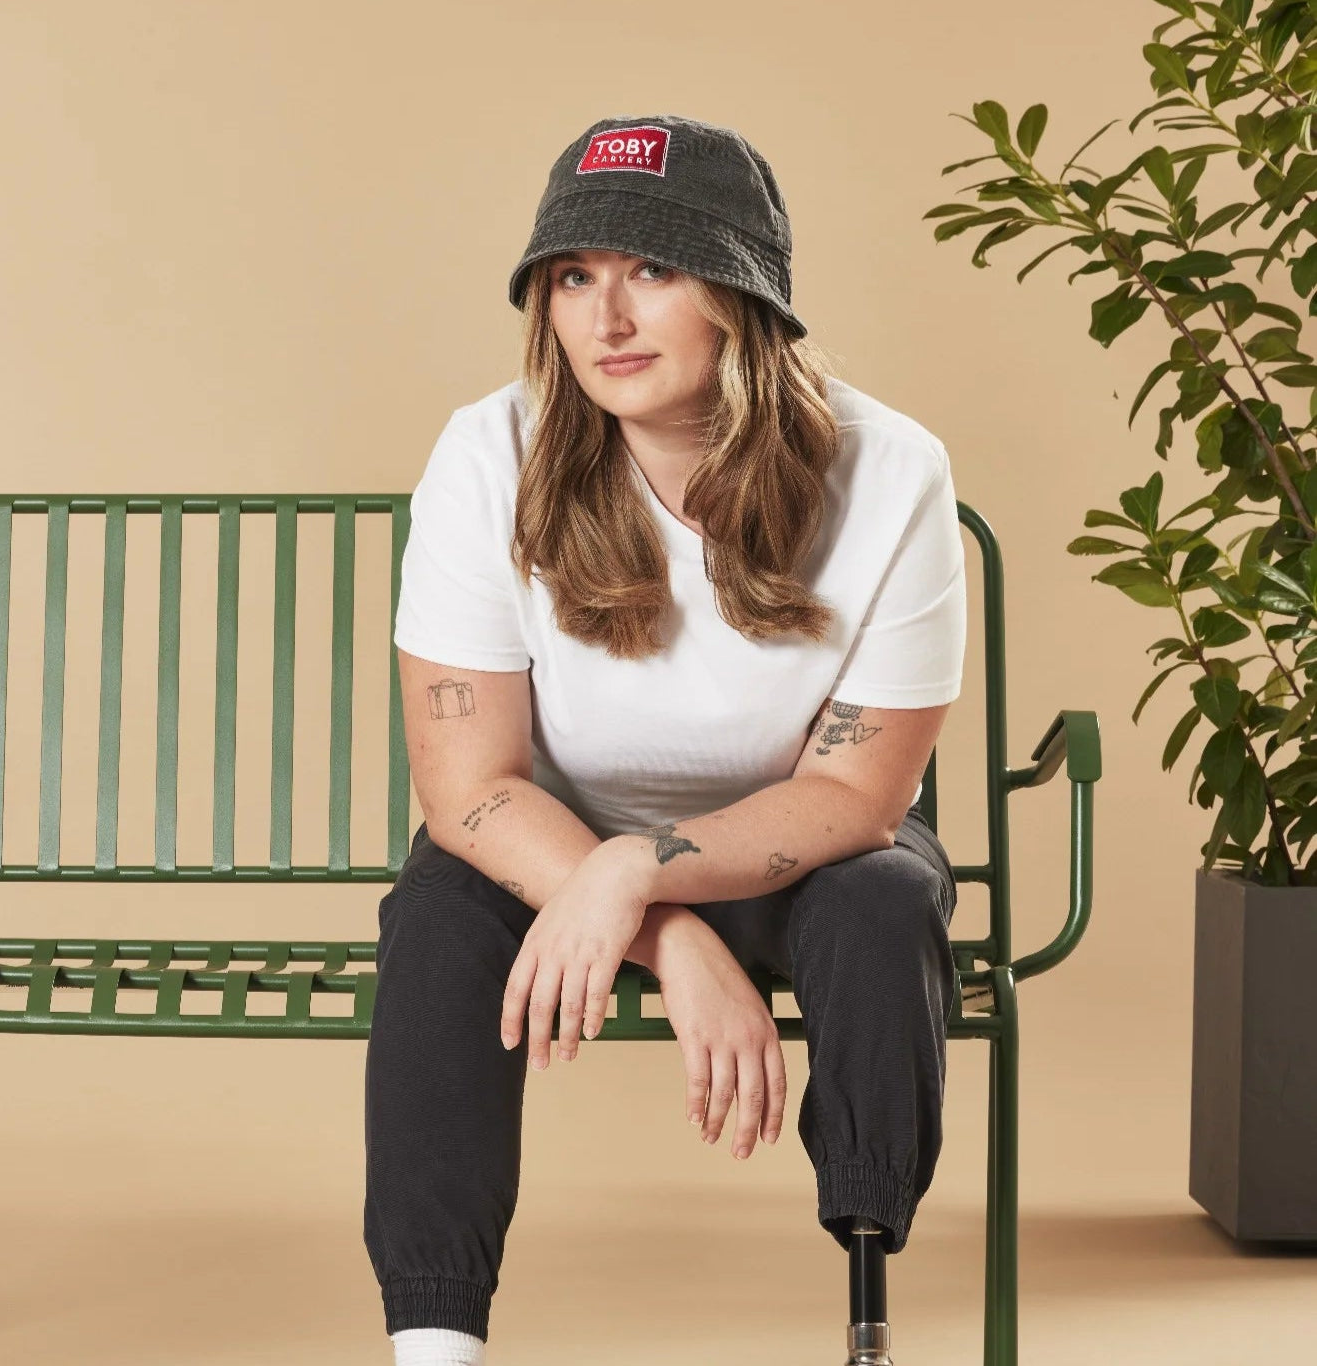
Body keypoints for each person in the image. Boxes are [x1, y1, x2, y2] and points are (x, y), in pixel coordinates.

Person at [363, 113, 965, 1366]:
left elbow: (856, 792)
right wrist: (660, 923)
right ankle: (433, 1347)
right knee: (434, 918)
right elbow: (467, 787)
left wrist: (643, 870)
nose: (606, 319)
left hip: (800, 844)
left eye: (653, 269)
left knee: (884, 901)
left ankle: (865, 1313)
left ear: (744, 297)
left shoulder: (889, 469)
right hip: (553, 853)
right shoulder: (491, 455)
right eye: (573, 277)